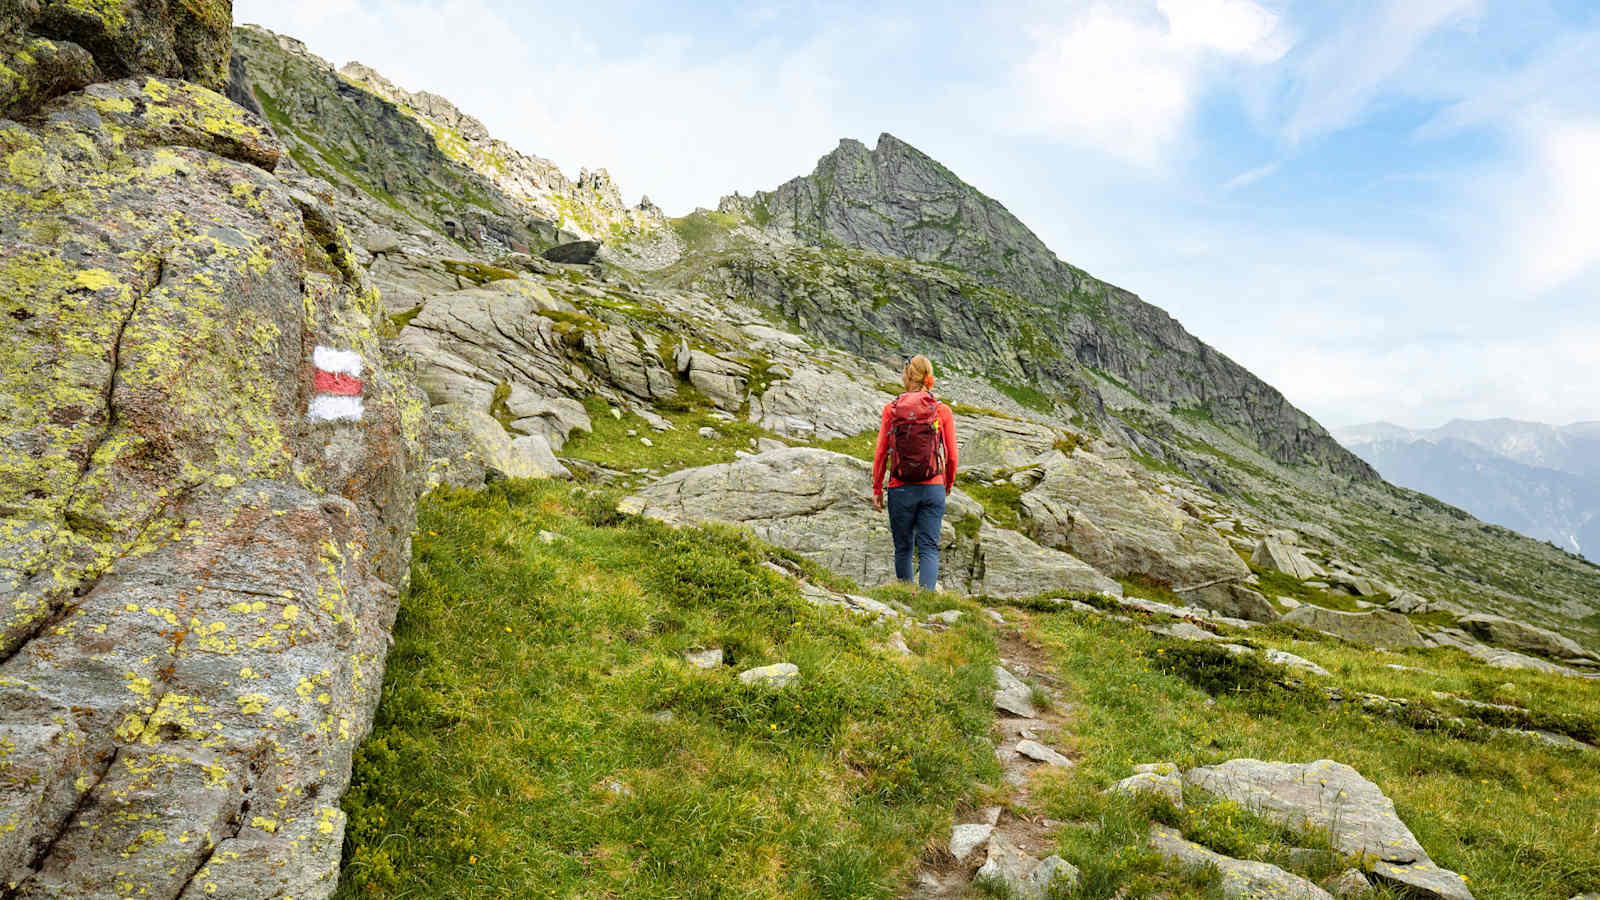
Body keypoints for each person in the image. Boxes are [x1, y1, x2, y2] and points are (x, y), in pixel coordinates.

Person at [871, 355, 958, 591]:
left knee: (903, 548)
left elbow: (881, 452)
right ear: (928, 378)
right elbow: (951, 455)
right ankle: (926, 601)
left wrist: (877, 488)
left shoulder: (891, 409)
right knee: (929, 547)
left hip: (900, 488)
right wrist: (947, 484)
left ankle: (905, 599)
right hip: (933, 487)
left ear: (907, 375)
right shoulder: (942, 411)